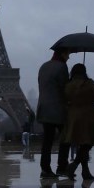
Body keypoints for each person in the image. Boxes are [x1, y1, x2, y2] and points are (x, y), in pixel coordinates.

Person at [62, 64, 94, 181]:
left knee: (82, 144)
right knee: (87, 144)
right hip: (88, 117)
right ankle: (74, 166)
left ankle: (85, 171)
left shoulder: (68, 85)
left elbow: (64, 99)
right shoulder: (90, 84)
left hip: (73, 118)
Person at [35, 48, 71, 178]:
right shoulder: (62, 67)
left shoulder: (43, 66)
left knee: (47, 140)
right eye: (68, 54)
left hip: (44, 107)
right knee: (65, 138)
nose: (69, 57)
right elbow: (65, 88)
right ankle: (62, 167)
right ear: (62, 53)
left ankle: (45, 169)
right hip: (58, 109)